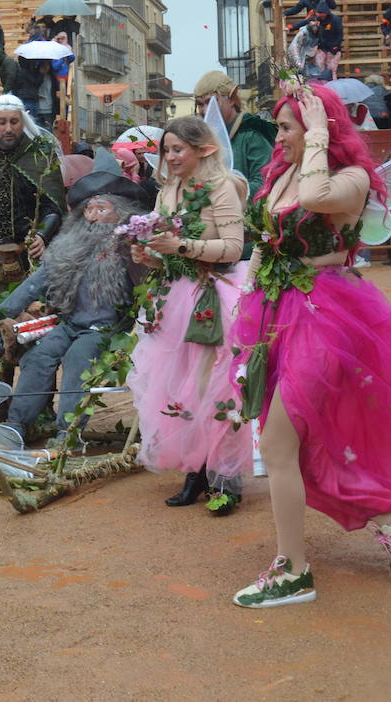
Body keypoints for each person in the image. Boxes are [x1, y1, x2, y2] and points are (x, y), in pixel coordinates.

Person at [228, 82, 391, 608]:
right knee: (297, 444)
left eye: (288, 127)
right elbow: (264, 242)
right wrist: (242, 307)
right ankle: (389, 516)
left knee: (277, 445)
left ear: (321, 129)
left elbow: (315, 201)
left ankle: (292, 570)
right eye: (284, 127)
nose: (280, 137)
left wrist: (315, 134)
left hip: (324, 315)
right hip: (274, 310)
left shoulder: (353, 179)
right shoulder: (283, 172)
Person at [127, 115, 249, 515]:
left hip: (214, 297)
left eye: (178, 149)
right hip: (175, 297)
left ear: (203, 149)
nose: (171, 156)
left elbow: (233, 248)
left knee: (215, 389)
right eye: (166, 150)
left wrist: (179, 246)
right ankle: (195, 471)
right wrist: (148, 253)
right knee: (180, 390)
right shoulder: (168, 190)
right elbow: (166, 247)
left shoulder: (222, 186)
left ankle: (226, 478)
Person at [0, 152, 149, 445]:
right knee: (39, 356)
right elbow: (39, 280)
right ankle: (15, 425)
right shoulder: (69, 244)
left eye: (103, 208)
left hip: (106, 328)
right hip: (69, 322)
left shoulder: (129, 245)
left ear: (120, 210)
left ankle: (68, 433)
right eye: (89, 208)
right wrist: (2, 310)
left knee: (78, 361)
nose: (94, 215)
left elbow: (147, 287)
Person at [0, 94, 66, 320]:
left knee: (34, 322)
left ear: (23, 122)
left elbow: (53, 205)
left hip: (31, 261)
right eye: (2, 122)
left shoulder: (41, 158)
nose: (8, 128)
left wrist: (42, 236)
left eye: (14, 122)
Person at [192, 71, 277, 199]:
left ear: (231, 99)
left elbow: (264, 181)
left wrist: (223, 194)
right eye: (200, 104)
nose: (205, 110)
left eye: (211, 102)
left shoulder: (251, 132)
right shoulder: (206, 138)